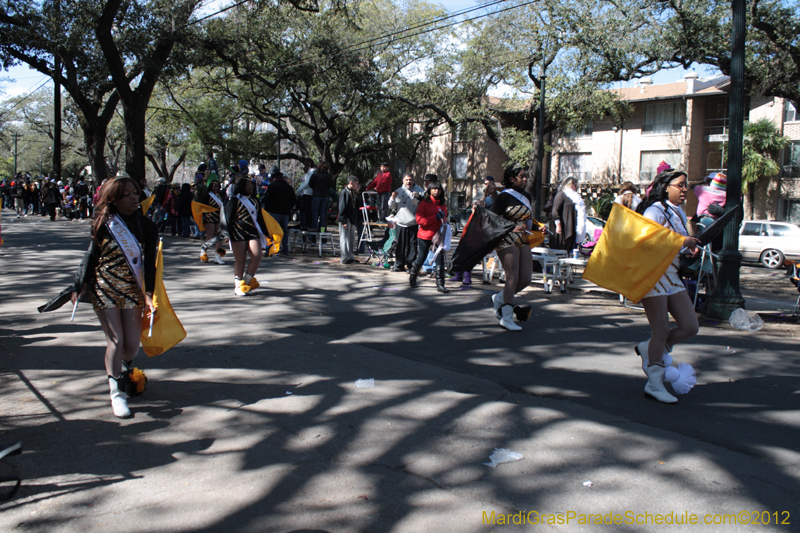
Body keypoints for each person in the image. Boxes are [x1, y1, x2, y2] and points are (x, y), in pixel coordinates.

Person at [70, 175, 158, 418]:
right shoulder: (104, 223)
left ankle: (121, 370)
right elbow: (91, 257)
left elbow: (150, 264)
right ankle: (116, 394)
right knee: (116, 341)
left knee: (131, 345)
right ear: (114, 199)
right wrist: (80, 285)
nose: (134, 197)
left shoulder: (148, 226)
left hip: (132, 290)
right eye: (127, 194)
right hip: (104, 287)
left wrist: (149, 294)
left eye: (135, 192)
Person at [634, 170, 701, 404]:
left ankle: (650, 348)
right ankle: (654, 384)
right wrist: (682, 241)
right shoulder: (654, 210)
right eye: (681, 185)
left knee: (691, 326)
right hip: (652, 275)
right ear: (666, 187)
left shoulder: (679, 213)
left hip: (672, 275)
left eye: (687, 186)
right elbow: (646, 240)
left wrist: (687, 248)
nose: (685, 190)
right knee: (661, 331)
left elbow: (674, 245)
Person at [490, 167, 538, 331]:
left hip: (523, 238)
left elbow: (529, 219)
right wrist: (510, 228)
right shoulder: (503, 197)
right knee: (512, 277)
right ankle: (507, 317)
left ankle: (499, 298)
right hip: (506, 239)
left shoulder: (527, 197)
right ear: (512, 178)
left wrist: (539, 229)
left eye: (526, 177)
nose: (525, 180)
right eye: (521, 177)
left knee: (525, 278)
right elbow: (492, 220)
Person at [223, 176, 268, 296]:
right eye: (248, 184)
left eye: (252, 185)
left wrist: (267, 233)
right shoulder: (234, 200)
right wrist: (226, 234)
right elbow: (228, 218)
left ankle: (247, 281)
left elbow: (260, 219)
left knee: (257, 256)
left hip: (253, 231)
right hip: (238, 231)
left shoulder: (256, 201)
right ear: (242, 185)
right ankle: (238, 285)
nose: (250, 187)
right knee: (240, 259)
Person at [409, 181, 449, 293]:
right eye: (434, 189)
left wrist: (444, 221)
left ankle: (440, 285)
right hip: (425, 236)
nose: (436, 191)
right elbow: (420, 220)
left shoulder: (442, 204)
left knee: (440, 261)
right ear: (429, 190)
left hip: (439, 237)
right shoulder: (424, 203)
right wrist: (435, 217)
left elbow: (444, 219)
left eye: (438, 189)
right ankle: (412, 278)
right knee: (421, 258)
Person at [388, 172, 423, 272]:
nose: (409, 182)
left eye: (410, 179)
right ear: (403, 180)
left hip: (413, 223)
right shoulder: (399, 191)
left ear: (413, 180)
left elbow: (424, 204)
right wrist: (393, 198)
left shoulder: (419, 191)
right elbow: (391, 206)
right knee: (400, 245)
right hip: (400, 223)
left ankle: (411, 265)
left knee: (412, 245)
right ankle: (399, 265)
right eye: (406, 180)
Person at [261, 168, 296, 255]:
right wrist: (289, 208)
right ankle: (285, 249)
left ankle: (270, 249)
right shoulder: (289, 188)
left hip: (274, 211)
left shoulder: (272, 186)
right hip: (285, 212)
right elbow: (294, 200)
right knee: (284, 231)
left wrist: (268, 209)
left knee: (272, 231)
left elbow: (267, 199)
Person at [550, 176, 586, 252]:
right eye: (575, 185)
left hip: (572, 228)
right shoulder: (561, 195)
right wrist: (558, 225)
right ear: (570, 184)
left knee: (569, 252)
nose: (576, 187)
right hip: (563, 228)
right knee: (560, 251)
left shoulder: (576, 197)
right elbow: (555, 210)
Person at [199, 180, 226, 264]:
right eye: (214, 186)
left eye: (217, 186)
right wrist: (205, 213)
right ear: (211, 187)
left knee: (219, 237)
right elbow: (202, 206)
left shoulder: (220, 195)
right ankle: (203, 251)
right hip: (210, 217)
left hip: (219, 216)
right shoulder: (207, 195)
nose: (216, 188)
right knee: (210, 236)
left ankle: (217, 257)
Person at [338, 176, 360, 264]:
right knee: (344, 238)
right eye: (356, 183)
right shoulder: (344, 192)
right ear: (351, 182)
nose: (357, 185)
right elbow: (342, 207)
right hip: (345, 218)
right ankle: (344, 258)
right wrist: (343, 221)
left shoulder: (352, 193)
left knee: (351, 239)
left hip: (351, 219)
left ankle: (350, 256)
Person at [308, 162, 332, 232]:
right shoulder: (328, 175)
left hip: (316, 195)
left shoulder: (315, 174)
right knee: (323, 213)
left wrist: (315, 188)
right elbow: (329, 185)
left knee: (315, 212)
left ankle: (314, 227)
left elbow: (310, 183)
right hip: (325, 195)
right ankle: (322, 229)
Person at [296, 161, 316, 228]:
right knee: (304, 211)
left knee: (307, 212)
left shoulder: (312, 172)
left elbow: (307, 183)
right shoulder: (308, 173)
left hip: (308, 194)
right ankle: (304, 224)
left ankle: (307, 225)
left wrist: (299, 190)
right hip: (305, 193)